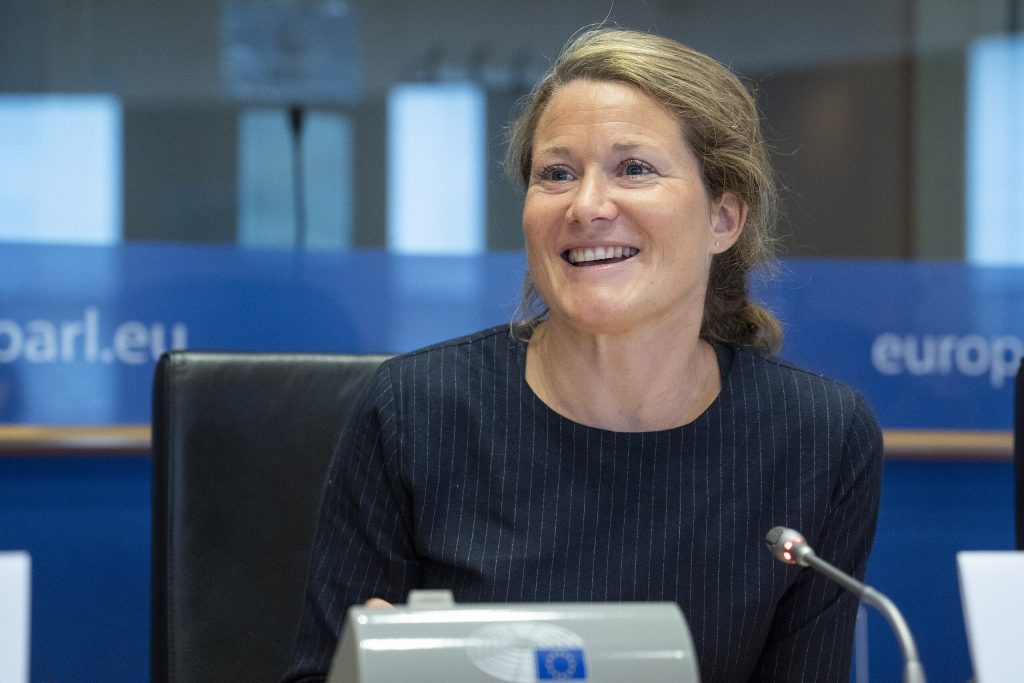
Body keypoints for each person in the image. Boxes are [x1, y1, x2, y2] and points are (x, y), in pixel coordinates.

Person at [283, 27, 882, 683]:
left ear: (723, 218)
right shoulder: (415, 412)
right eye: (557, 174)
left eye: (634, 169)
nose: (587, 205)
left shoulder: (818, 437)